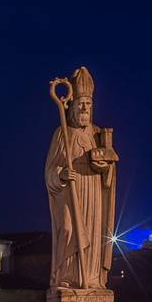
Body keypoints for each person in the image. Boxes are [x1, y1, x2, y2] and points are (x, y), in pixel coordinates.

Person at [44, 66, 117, 290]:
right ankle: (67, 277)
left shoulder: (97, 134)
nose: (85, 108)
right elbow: (49, 172)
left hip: (93, 191)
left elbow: (111, 169)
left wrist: (106, 168)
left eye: (88, 104)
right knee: (68, 229)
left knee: (94, 232)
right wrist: (62, 174)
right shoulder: (62, 133)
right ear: (72, 107)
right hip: (70, 191)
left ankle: (92, 278)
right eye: (80, 104)